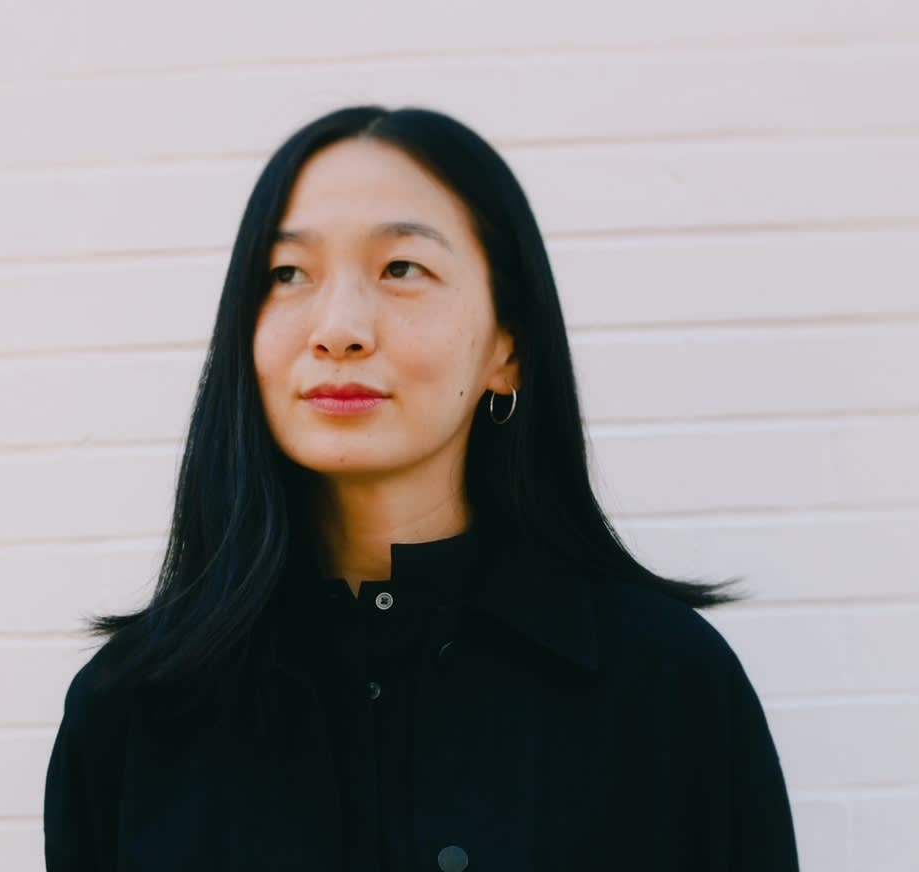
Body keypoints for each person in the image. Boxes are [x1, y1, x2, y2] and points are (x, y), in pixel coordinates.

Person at [43, 105, 801, 871]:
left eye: (401, 268)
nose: (338, 328)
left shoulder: (670, 686)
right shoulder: (131, 710)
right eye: (288, 274)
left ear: (508, 346)